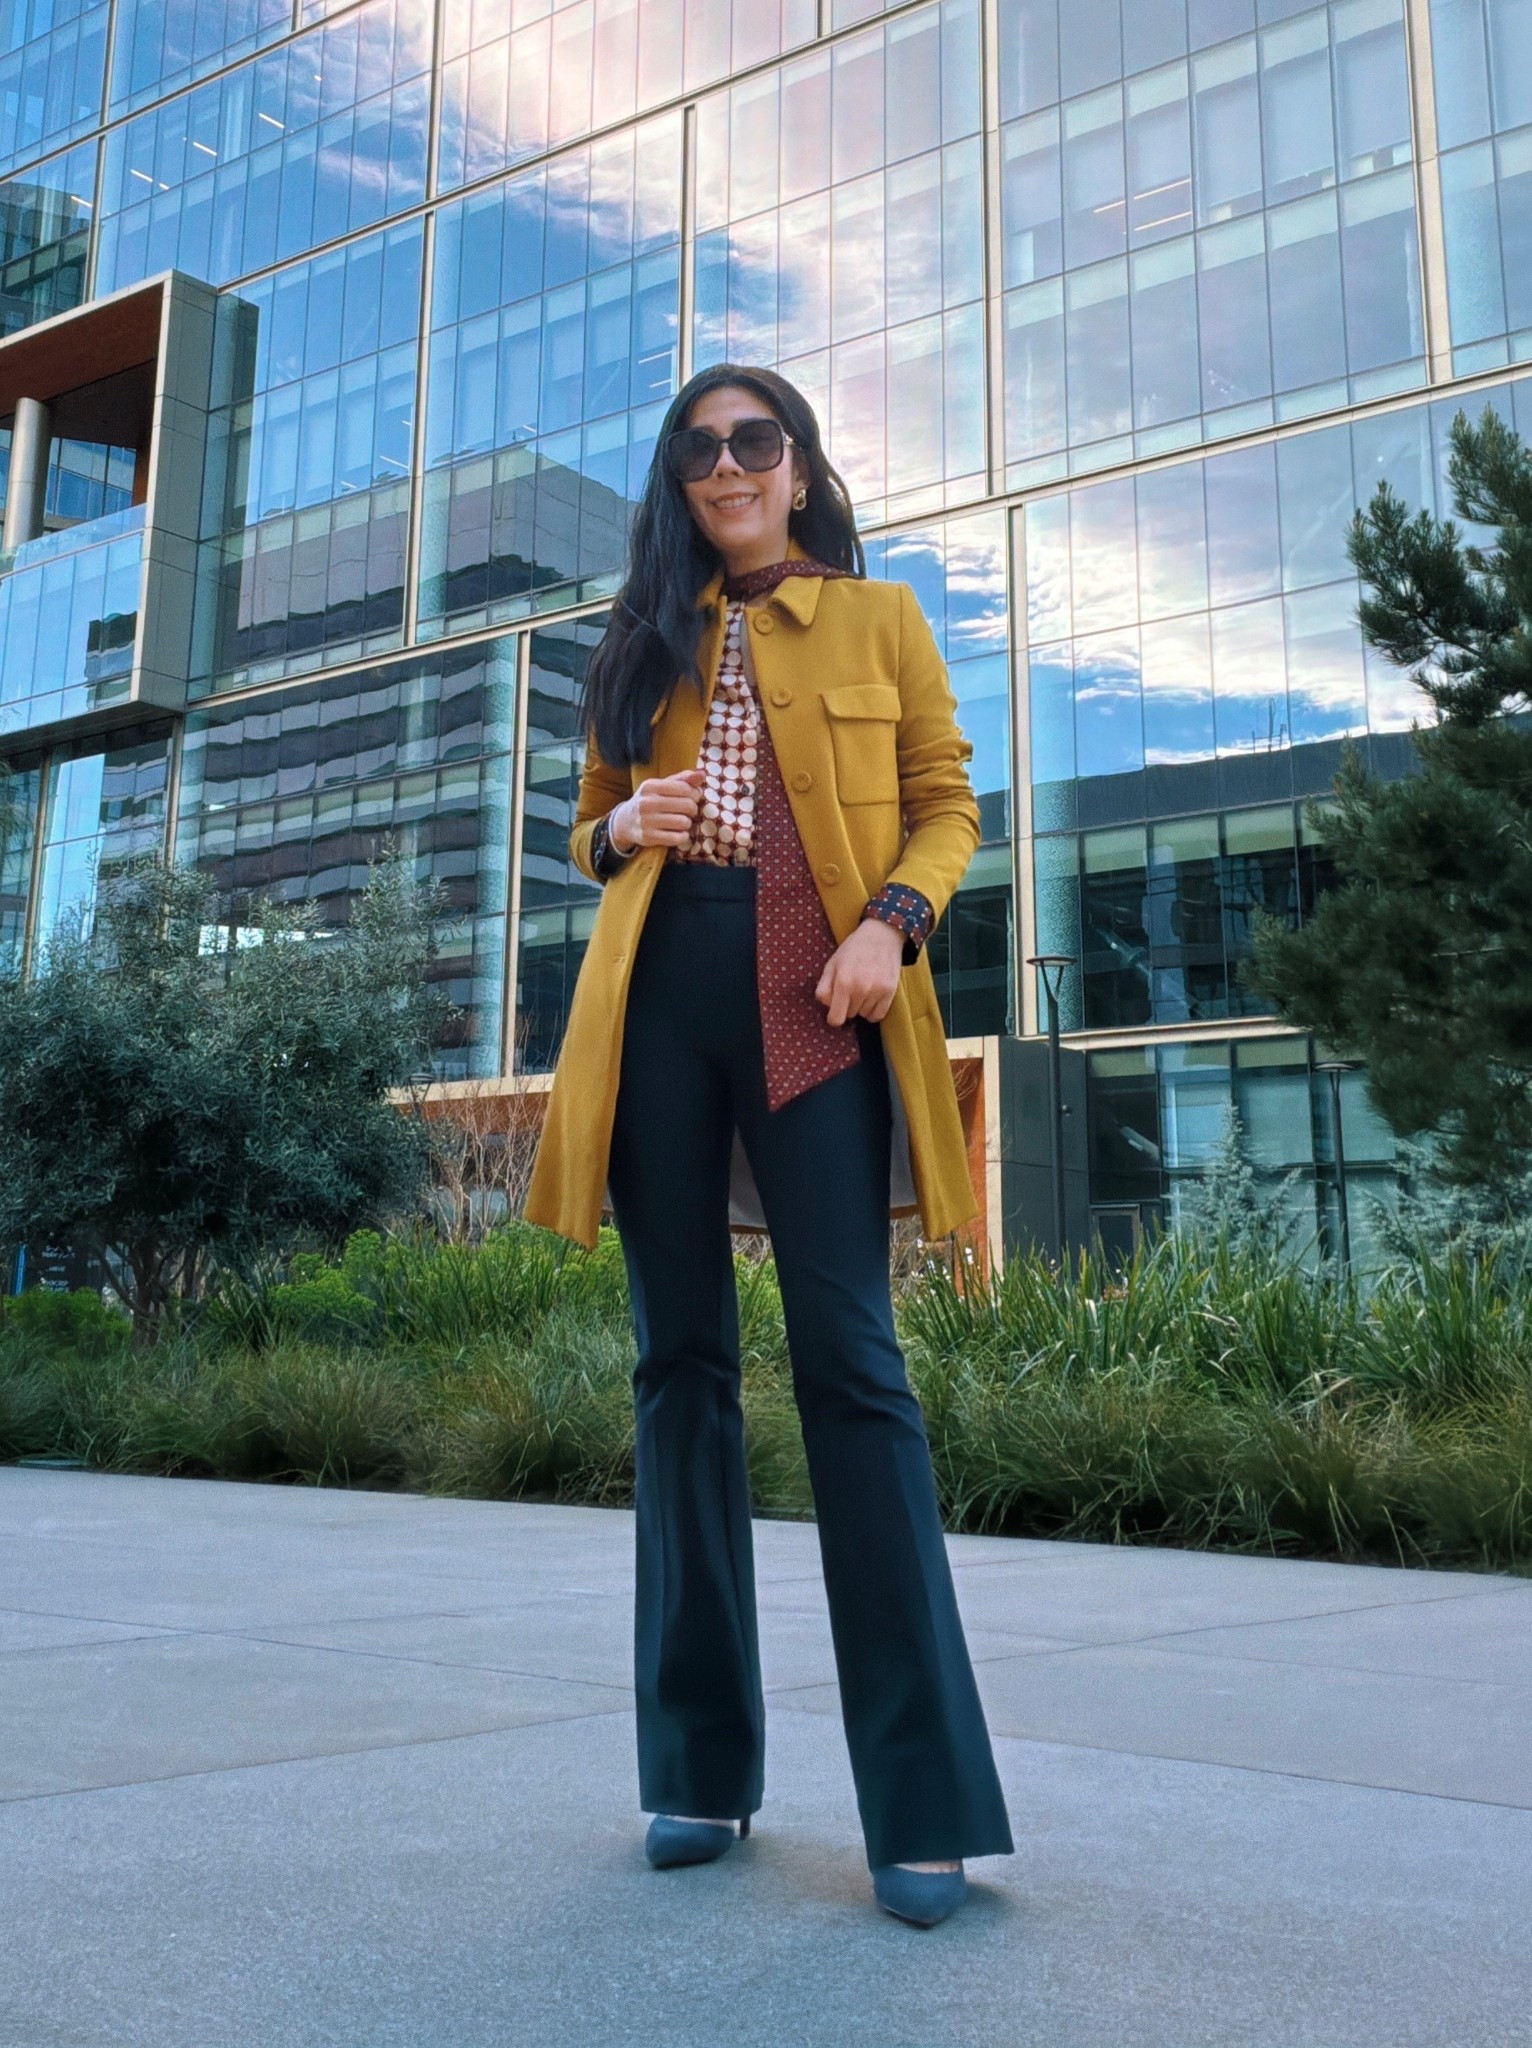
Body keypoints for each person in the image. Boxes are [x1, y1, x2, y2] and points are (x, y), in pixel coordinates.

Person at [525, 363, 1013, 1927]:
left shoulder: (881, 619)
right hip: (660, 998)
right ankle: (697, 1768)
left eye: (753, 440)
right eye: (699, 448)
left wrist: (893, 923)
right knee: (679, 1368)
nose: (726, 465)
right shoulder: (638, 638)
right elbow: (586, 822)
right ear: (679, 481)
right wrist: (624, 824)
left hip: (824, 995)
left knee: (855, 1369)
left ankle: (923, 1806)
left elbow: (948, 804)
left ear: (797, 466)